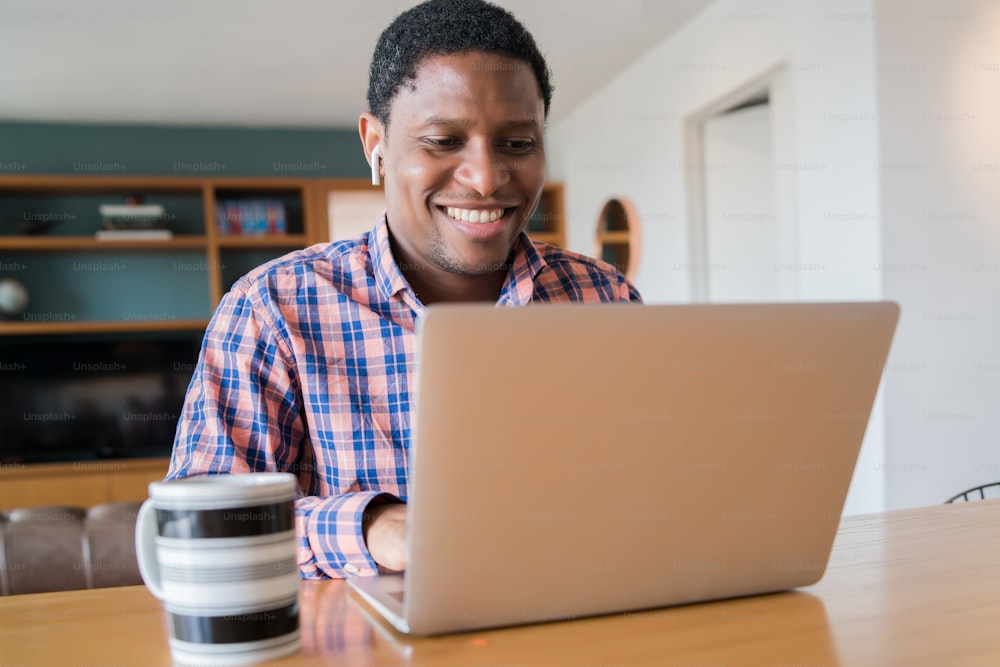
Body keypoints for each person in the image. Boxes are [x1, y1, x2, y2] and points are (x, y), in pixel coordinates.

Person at [166, 0, 642, 579]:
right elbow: (201, 529)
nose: (487, 177)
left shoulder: (604, 296)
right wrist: (372, 528)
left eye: (517, 144)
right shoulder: (273, 307)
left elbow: (654, 486)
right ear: (377, 146)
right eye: (443, 141)